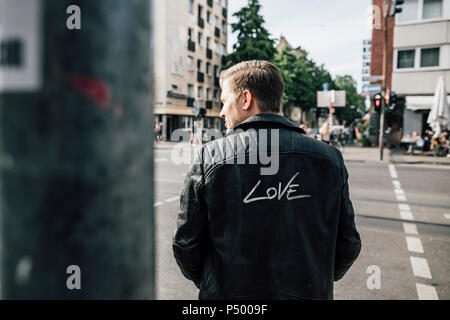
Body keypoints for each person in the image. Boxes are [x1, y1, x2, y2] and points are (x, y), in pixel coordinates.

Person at [172, 60, 361, 300]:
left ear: (246, 99)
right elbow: (349, 243)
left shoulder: (210, 157)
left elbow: (186, 244)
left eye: (224, 101)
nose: (221, 112)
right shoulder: (330, 159)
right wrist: (315, 277)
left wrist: (214, 282)